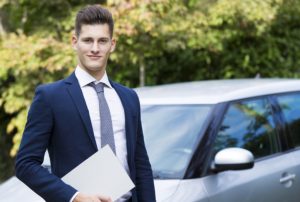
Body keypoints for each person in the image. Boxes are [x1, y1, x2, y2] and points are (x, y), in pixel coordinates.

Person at [15, 4, 156, 202]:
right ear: (75, 42)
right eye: (88, 40)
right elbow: (25, 164)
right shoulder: (50, 97)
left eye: (102, 41)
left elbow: (141, 164)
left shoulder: (128, 97)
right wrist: (74, 197)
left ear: (112, 44)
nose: (95, 48)